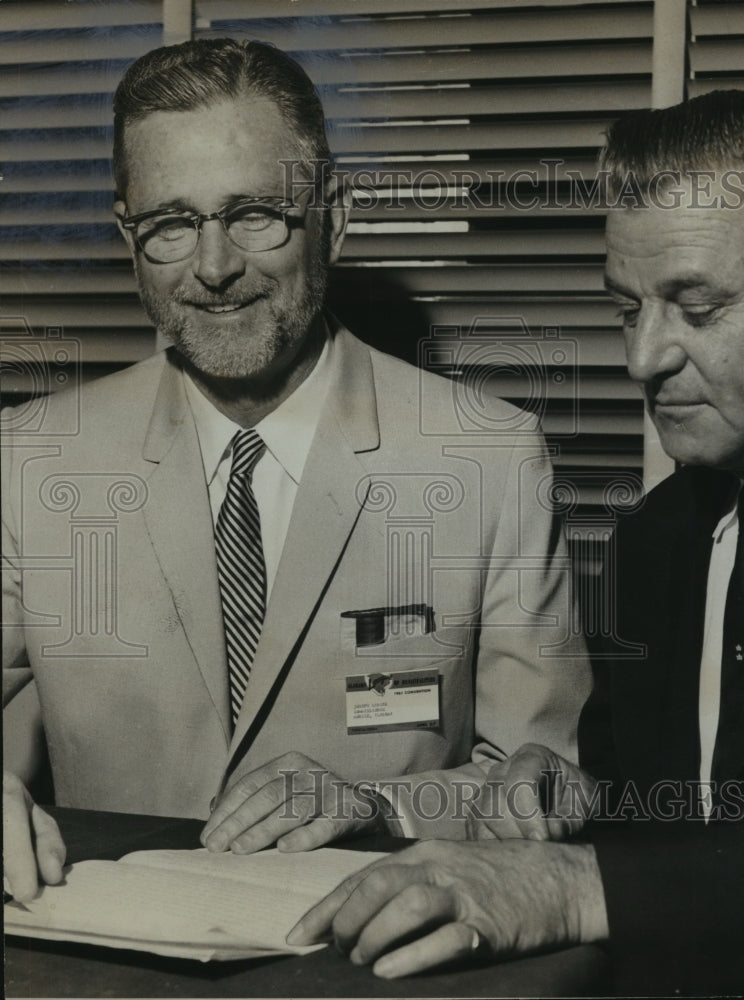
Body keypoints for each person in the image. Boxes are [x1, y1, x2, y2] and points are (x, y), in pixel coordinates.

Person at [286, 87, 744, 993]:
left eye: (696, 308)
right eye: (627, 308)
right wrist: (566, 799)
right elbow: (675, 814)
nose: (644, 357)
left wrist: (583, 885)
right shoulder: (657, 538)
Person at [1, 39, 590, 901]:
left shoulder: (486, 457)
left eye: (255, 215)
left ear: (334, 218)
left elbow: (546, 789)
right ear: (128, 236)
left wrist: (380, 804)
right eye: (173, 224)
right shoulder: (30, 459)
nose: (214, 269)